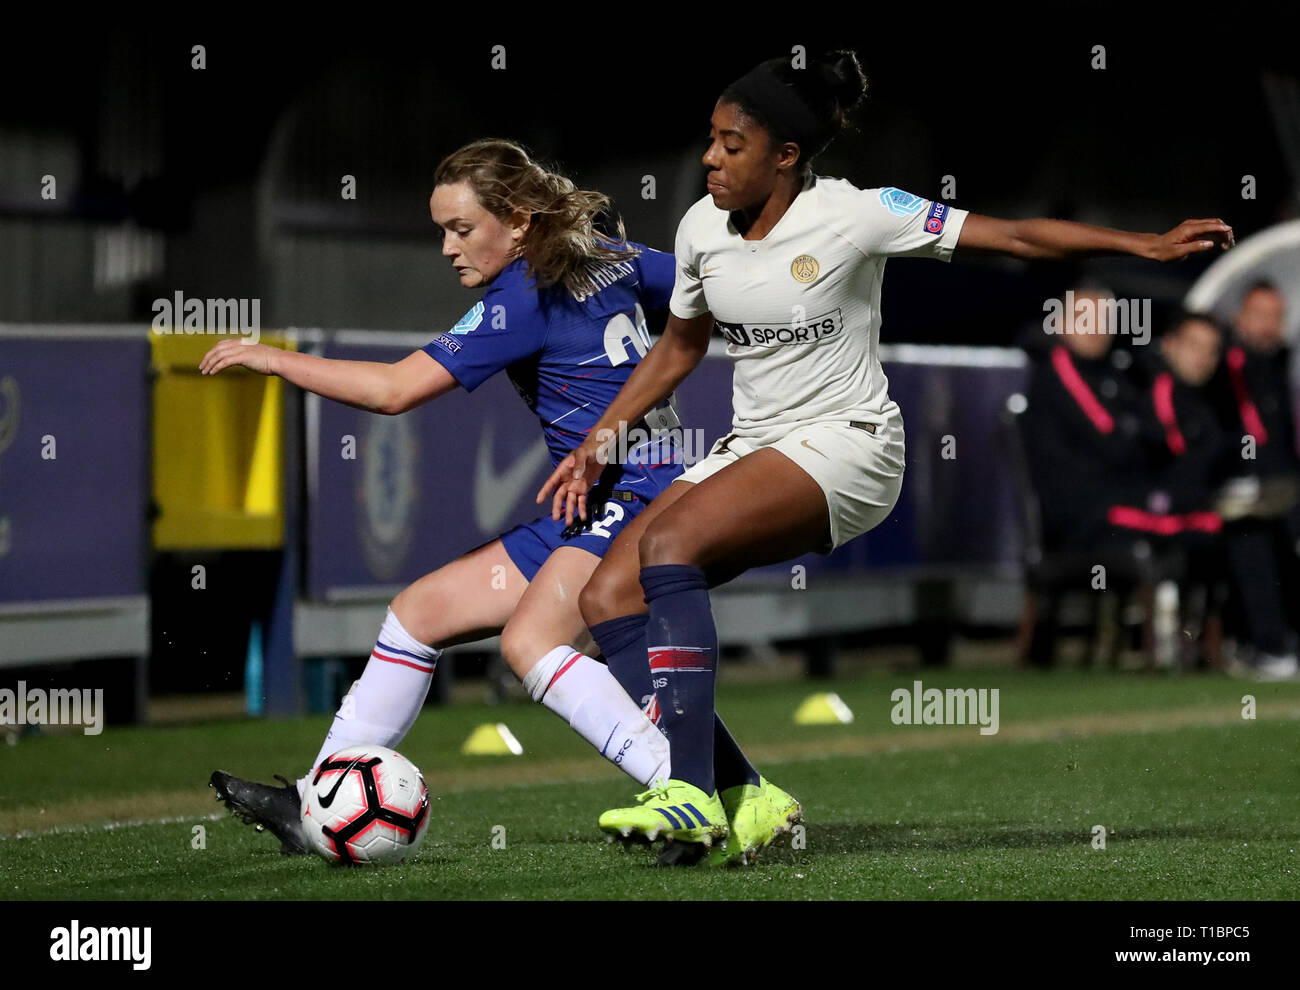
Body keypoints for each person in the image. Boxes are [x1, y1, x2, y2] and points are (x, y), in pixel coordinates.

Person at [537, 50, 1234, 863]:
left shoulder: (859, 212)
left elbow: (1007, 235)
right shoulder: (699, 227)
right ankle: (745, 794)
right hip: (754, 445)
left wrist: (1142, 246)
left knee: (668, 547)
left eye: (732, 144)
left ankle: (685, 793)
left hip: (850, 444)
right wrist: (598, 443)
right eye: (711, 140)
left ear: (786, 156)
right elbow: (680, 346)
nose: (711, 158)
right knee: (609, 596)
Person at [202, 138, 687, 853]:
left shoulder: (522, 297)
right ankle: (314, 808)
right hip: (600, 500)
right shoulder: (611, 258)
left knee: (532, 642)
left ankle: (685, 790)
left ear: (518, 221)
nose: (447, 247)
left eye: (461, 229)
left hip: (636, 499)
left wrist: (273, 357)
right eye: (442, 230)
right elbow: (706, 290)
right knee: (419, 613)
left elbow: (395, 391)